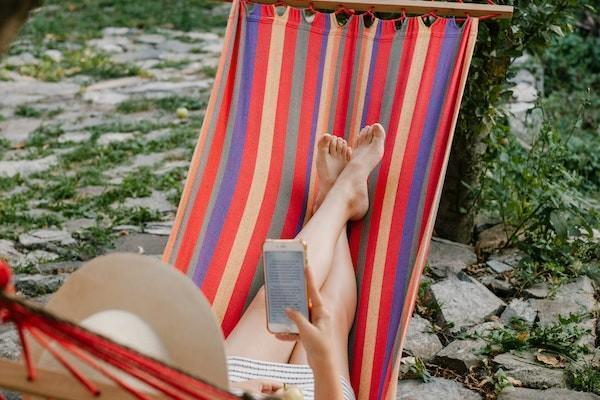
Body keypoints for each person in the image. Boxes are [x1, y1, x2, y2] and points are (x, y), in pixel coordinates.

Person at [226, 123, 386, 400]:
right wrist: (322, 361)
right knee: (329, 313)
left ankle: (338, 199)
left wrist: (239, 390)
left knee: (278, 300)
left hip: (229, 388)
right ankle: (341, 197)